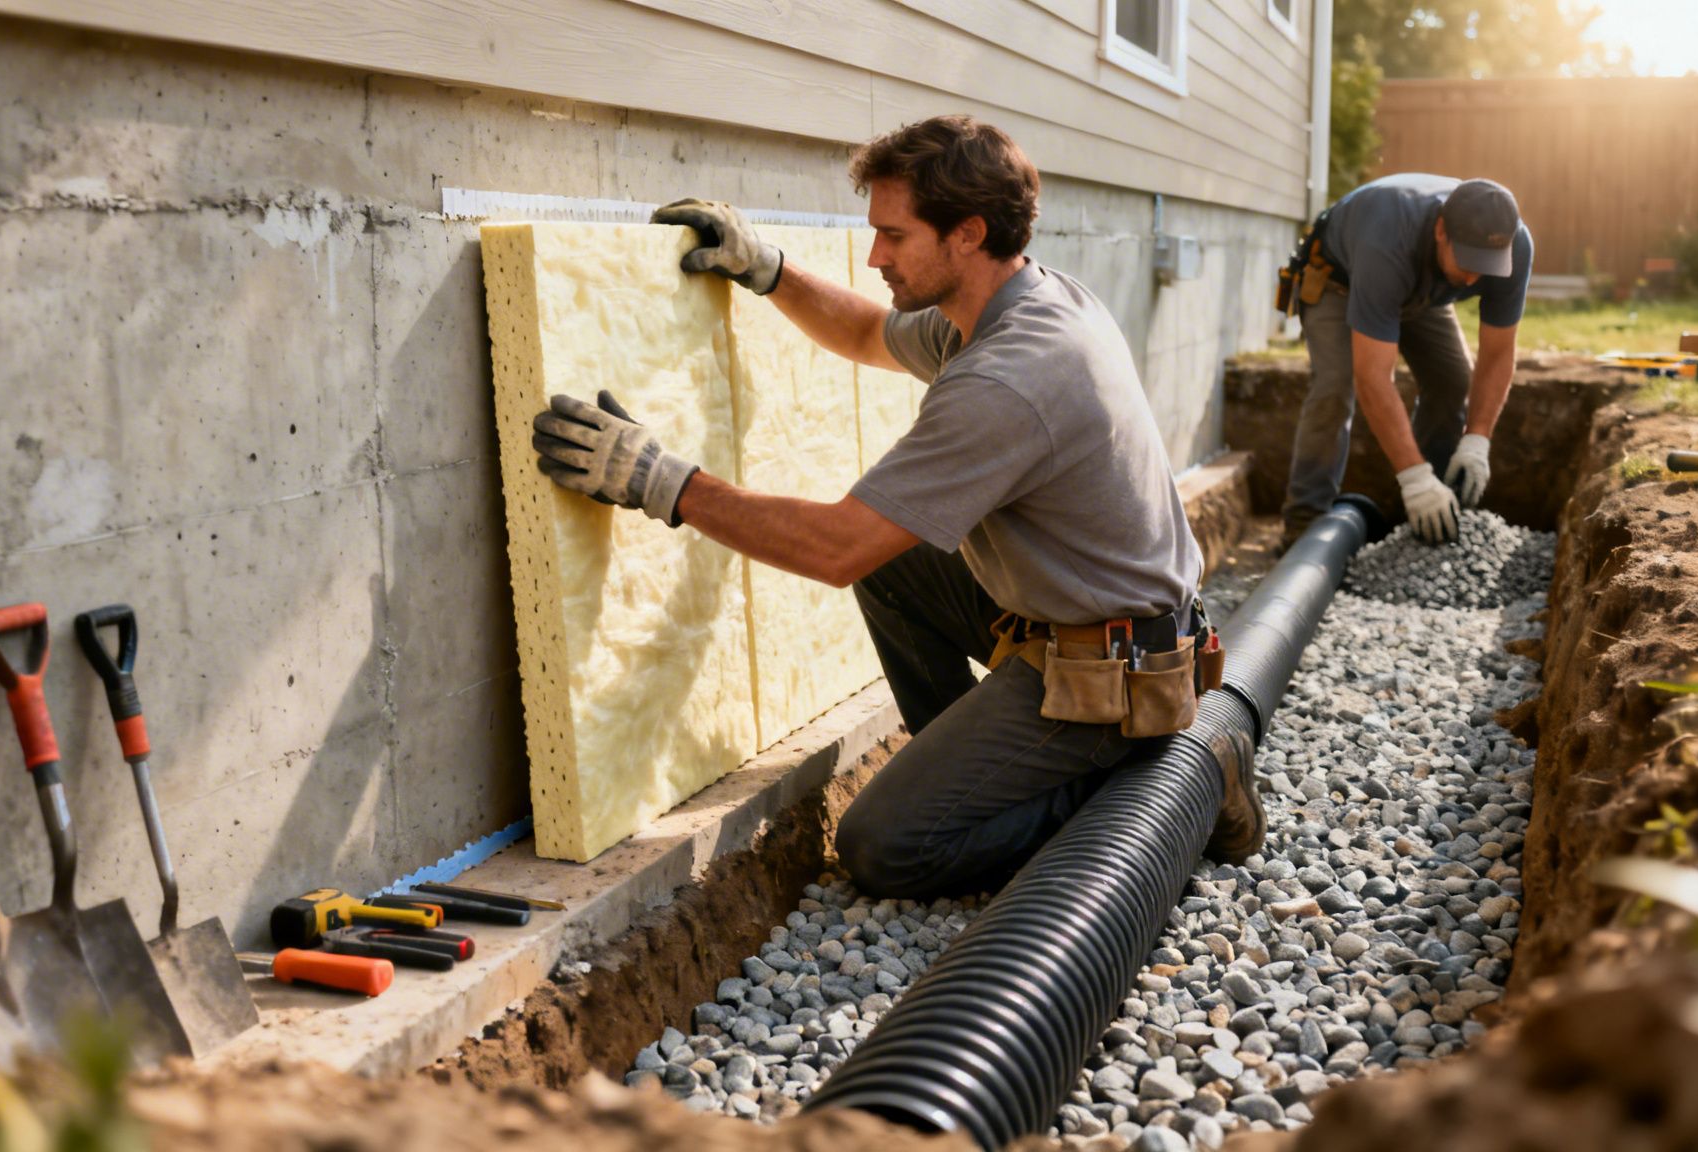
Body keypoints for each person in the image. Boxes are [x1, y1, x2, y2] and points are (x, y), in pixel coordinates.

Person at [530, 115, 1258, 898]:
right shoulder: (1014, 303)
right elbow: (871, 333)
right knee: (896, 563)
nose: (875, 254)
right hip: (1099, 622)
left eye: (893, 236)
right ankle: (977, 768)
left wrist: (662, 482)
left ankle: (1154, 785)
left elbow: (833, 546)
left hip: (1109, 672)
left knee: (884, 846)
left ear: (967, 233)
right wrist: (769, 270)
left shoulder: (1010, 378)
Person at [1279, 174, 1531, 546]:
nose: (1474, 276)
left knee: (1452, 381)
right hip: (1341, 282)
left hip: (1419, 289)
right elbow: (1374, 377)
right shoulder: (1387, 238)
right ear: (1441, 230)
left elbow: (1497, 355)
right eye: (1468, 261)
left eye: (1487, 265)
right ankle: (1304, 525)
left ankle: (1427, 520)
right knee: (1335, 384)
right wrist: (1413, 476)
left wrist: (1477, 439)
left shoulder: (1515, 246)